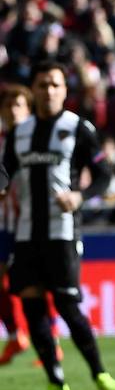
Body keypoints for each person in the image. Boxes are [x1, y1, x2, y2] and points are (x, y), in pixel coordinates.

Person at [1, 60, 115, 390]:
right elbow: (5, 170)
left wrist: (80, 195)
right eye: (42, 85)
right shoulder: (20, 132)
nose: (48, 91)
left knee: (67, 305)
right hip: (26, 234)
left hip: (63, 231)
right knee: (32, 305)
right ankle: (55, 381)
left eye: (55, 84)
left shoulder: (78, 128)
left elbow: (105, 175)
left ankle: (100, 373)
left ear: (64, 89)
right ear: (35, 90)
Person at [0, 85, 31, 364]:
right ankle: (15, 335)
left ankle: (52, 340)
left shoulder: (35, 138)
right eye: (8, 106)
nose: (13, 111)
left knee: (39, 282)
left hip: (31, 222)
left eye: (18, 105)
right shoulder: (1, 140)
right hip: (4, 224)